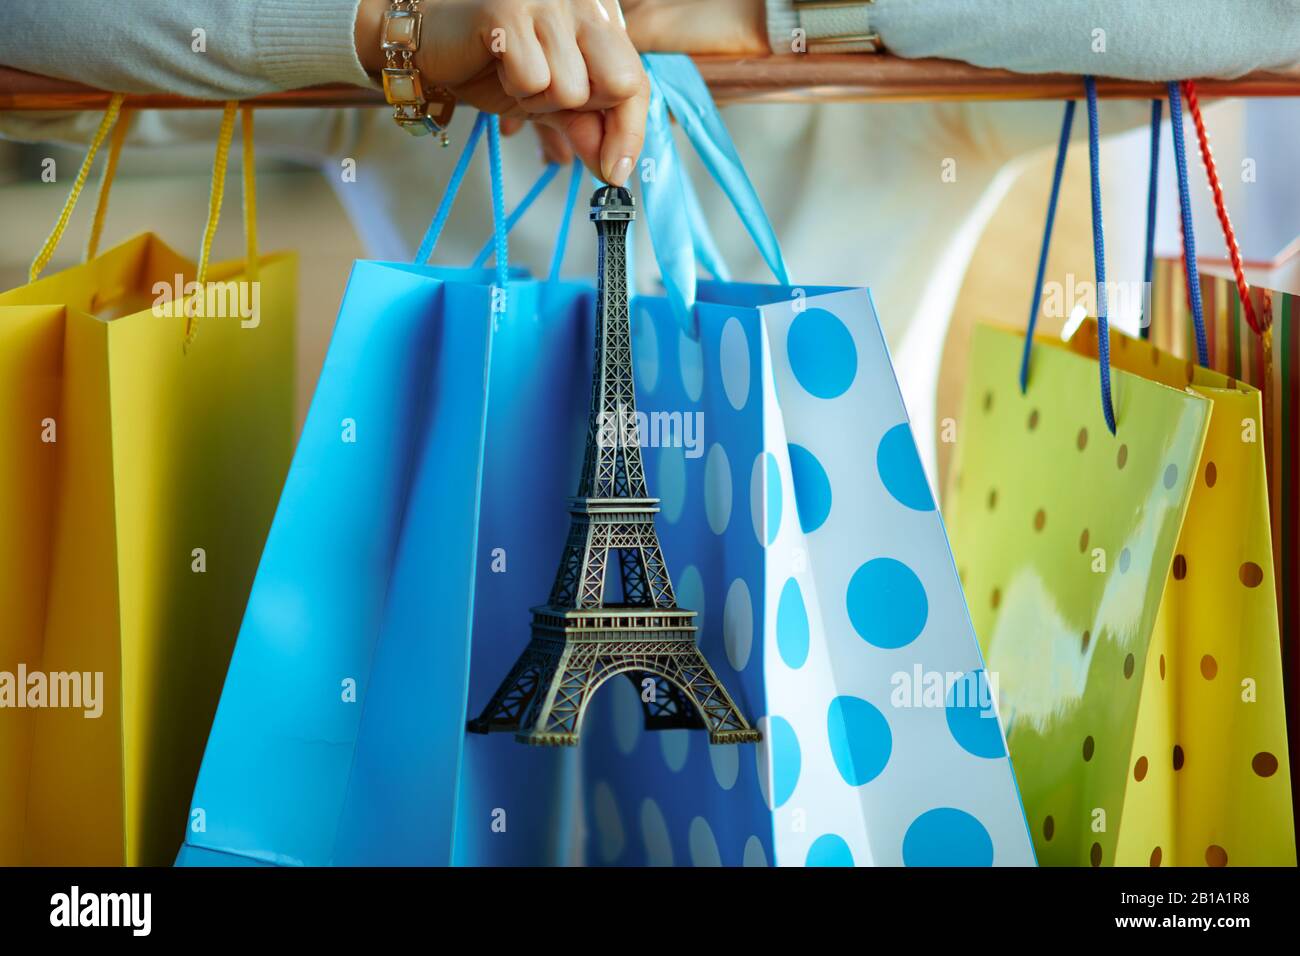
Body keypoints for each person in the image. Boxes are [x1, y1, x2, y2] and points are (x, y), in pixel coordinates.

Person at [3, 0, 1299, 470]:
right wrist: (391, 30)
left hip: (808, 686)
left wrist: (781, 18)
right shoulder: (469, 53)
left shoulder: (900, 88)